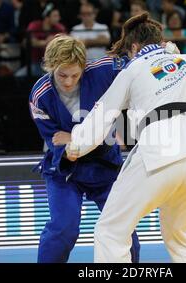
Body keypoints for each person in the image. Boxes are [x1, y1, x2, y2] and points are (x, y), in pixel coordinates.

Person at [66, 13, 186, 263]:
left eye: (129, 53)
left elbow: (102, 115)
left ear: (135, 47)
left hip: (159, 151)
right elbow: (169, 64)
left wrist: (75, 146)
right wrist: (168, 50)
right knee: (179, 235)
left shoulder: (133, 70)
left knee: (110, 231)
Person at [28, 35, 140, 263]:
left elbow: (139, 65)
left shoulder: (103, 70)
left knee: (123, 229)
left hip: (106, 166)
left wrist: (165, 53)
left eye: (75, 75)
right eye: (62, 75)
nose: (68, 82)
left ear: (84, 67)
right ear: (50, 67)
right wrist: (90, 138)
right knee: (63, 228)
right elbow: (55, 140)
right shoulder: (40, 95)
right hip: (66, 170)